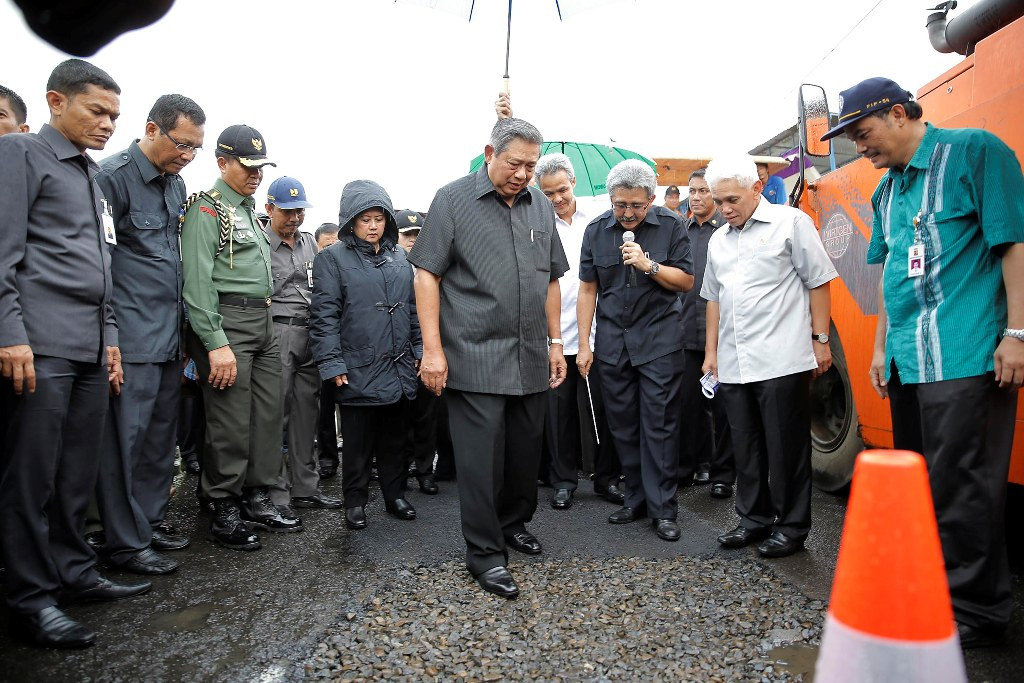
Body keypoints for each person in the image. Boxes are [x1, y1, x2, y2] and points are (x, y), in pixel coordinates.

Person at [821, 76, 1024, 648]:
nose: (860, 148)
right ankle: (936, 595)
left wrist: (1017, 332)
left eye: (863, 134)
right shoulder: (887, 191)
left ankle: (979, 614)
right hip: (910, 359)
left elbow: (1014, 243)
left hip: (966, 351)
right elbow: (890, 275)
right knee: (926, 487)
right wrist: (883, 347)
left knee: (965, 485)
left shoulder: (975, 152)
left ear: (901, 113)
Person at [0, 59, 150, 650]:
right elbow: (3, 252)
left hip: (89, 347)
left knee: (74, 475)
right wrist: (9, 333)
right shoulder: (19, 157)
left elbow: (102, 267)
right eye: (97, 111)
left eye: (115, 115)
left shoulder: (88, 175)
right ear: (55, 101)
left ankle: (74, 570)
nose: (109, 124)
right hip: (38, 344)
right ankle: (31, 599)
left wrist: (110, 340)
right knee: (29, 478)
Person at [410, 117, 568, 599]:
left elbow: (552, 278)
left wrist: (556, 342)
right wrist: (433, 350)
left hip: (528, 355)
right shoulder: (453, 199)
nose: (523, 173)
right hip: (473, 354)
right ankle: (483, 554)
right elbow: (426, 275)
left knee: (524, 454)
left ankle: (513, 524)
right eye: (515, 163)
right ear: (489, 153)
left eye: (531, 165)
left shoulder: (540, 204)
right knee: (481, 462)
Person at [702, 154, 836, 559]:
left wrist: (821, 339)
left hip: (782, 357)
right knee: (746, 445)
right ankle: (753, 520)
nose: (724, 209)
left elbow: (819, 281)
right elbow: (713, 298)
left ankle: (791, 527)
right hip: (733, 360)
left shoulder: (790, 223)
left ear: (757, 187)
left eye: (731, 199)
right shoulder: (717, 239)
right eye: (718, 200)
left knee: (786, 447)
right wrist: (711, 352)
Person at [93, 94, 205, 577]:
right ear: (152, 129)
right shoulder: (111, 178)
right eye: (182, 143)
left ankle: (148, 521)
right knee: (126, 442)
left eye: (196, 148)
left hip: (168, 337)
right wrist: (108, 333)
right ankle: (121, 542)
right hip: (132, 336)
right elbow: (98, 262)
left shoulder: (176, 185)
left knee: (162, 440)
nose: (188, 155)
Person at [180, 123, 301, 552]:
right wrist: (214, 343)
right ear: (222, 162)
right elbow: (196, 283)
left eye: (260, 166)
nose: (256, 174)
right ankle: (222, 504)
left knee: (267, 416)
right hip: (228, 321)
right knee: (230, 420)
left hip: (263, 320)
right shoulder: (207, 208)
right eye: (247, 166)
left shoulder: (250, 210)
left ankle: (257, 494)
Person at [577, 160, 694, 542]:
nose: (627, 213)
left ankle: (663, 509)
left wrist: (648, 264)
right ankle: (635, 499)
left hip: (659, 341)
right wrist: (583, 343)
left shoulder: (672, 225)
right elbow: (588, 289)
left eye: (636, 206)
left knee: (658, 425)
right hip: (612, 343)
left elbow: (686, 280)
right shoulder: (596, 231)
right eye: (620, 205)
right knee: (623, 426)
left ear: (652, 198)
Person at [310, 181, 421, 530]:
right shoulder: (331, 259)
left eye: (378, 218)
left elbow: (414, 309)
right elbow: (323, 315)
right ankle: (354, 501)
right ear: (350, 222)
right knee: (357, 442)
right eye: (364, 220)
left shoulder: (401, 257)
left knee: (396, 438)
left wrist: (419, 350)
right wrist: (331, 362)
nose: (373, 226)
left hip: (399, 363)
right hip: (357, 364)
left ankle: (395, 495)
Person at [531, 153, 624, 510]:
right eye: (549, 193)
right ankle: (563, 480)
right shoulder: (537, 225)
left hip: (599, 333)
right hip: (553, 335)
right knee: (558, 414)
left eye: (562, 190)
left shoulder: (599, 222)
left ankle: (606, 478)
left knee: (602, 409)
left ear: (574, 183)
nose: (557, 199)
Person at [263, 177, 342, 514]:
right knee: (273, 417)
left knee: (306, 414)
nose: (294, 218)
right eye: (287, 211)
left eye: (299, 211)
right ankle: (276, 494)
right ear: (270, 209)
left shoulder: (310, 243)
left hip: (309, 334)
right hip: (276, 333)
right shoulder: (259, 243)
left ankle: (306, 489)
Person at [679, 169, 735, 498]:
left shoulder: (728, 231)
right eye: (692, 191)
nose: (697, 197)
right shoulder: (680, 230)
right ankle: (688, 467)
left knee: (724, 408)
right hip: (686, 333)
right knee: (688, 405)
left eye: (703, 191)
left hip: (723, 334)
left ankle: (723, 474)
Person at [395, 209, 442, 495]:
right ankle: (399, 472)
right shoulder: (388, 266)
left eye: (417, 234)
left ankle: (425, 471)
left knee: (427, 416)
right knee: (399, 418)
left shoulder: (436, 267)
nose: (412, 240)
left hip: (430, 351)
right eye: (407, 235)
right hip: (399, 354)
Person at [313, 222, 342, 479]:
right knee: (325, 408)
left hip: (351, 345)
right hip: (325, 347)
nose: (331, 251)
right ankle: (327, 459)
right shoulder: (315, 271)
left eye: (336, 245)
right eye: (326, 246)